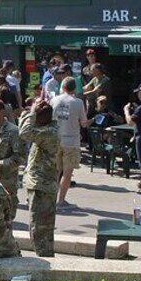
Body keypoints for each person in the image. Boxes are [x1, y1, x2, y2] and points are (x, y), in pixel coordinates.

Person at [19, 100, 61, 257]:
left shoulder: (49, 133)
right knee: (39, 226)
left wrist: (31, 112)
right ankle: (44, 255)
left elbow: (24, 132)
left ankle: (44, 260)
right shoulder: (47, 129)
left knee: (40, 227)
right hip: (39, 184)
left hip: (42, 186)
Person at [51, 77, 90, 209]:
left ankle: (51, 199)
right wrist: (92, 120)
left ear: (62, 87)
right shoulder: (78, 102)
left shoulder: (54, 100)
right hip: (71, 140)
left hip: (56, 139)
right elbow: (84, 123)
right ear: (74, 88)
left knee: (56, 171)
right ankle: (61, 200)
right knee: (67, 173)